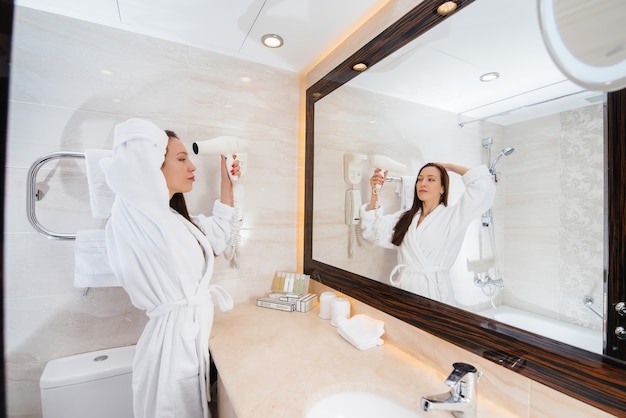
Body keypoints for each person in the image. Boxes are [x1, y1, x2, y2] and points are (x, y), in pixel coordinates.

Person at [102, 118, 239, 418]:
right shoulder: (135, 215)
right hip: (170, 351)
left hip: (188, 339)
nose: (192, 167)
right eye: (181, 158)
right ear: (150, 166)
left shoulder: (172, 220)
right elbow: (134, 144)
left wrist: (226, 181)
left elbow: (216, 237)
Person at [360, 162, 495, 305]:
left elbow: (482, 187)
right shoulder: (405, 218)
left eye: (431, 179)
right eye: (419, 179)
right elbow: (373, 232)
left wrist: (450, 167)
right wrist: (375, 192)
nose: (422, 183)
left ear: (442, 188)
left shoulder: (454, 217)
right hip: (406, 289)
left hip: (435, 293)